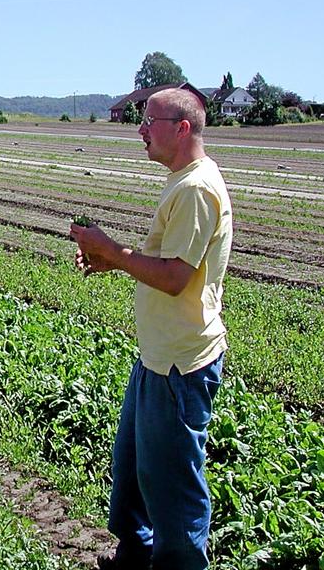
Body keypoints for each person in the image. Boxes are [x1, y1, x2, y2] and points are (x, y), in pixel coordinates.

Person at [70, 88, 232, 570]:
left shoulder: (197, 190)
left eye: (148, 121)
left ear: (181, 128)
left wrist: (114, 252)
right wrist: (112, 263)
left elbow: (176, 277)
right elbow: (165, 263)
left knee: (174, 487)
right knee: (135, 469)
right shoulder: (183, 180)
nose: (140, 130)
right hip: (158, 357)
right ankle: (134, 555)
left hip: (181, 364)